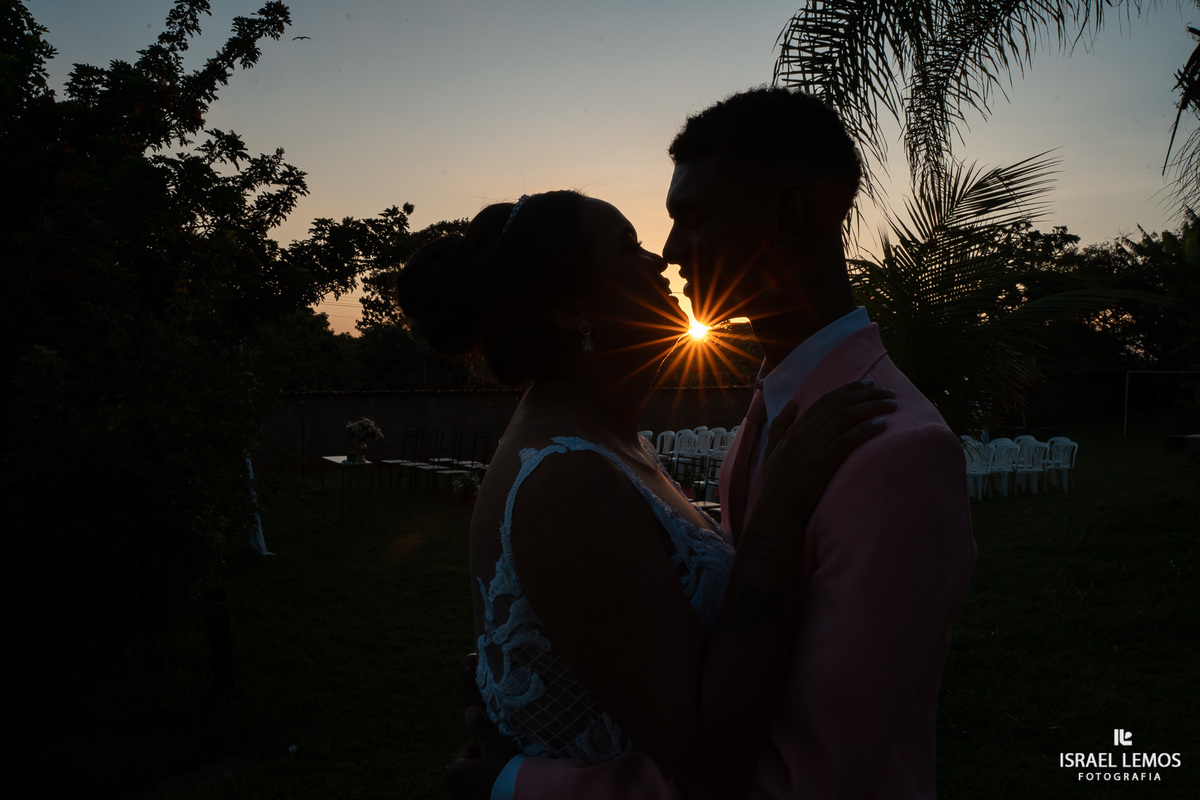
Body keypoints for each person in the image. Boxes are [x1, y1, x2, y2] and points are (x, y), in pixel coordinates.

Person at [448, 88, 976, 799]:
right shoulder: (775, 414)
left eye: (692, 218)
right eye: (647, 237)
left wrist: (520, 781)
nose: (668, 253)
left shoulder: (894, 454)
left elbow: (804, 781)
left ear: (789, 213)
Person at [397, 188, 899, 800]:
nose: (658, 260)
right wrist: (779, 511)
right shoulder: (568, 480)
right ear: (571, 305)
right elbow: (705, 753)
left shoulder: (610, 442)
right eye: (627, 248)